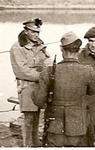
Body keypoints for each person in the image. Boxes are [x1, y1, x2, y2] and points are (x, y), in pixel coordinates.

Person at [33, 31, 95, 147]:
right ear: (79, 50)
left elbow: (39, 101)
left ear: (61, 49)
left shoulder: (48, 71)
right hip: (78, 126)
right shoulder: (88, 70)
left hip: (54, 127)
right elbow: (92, 92)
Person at [10, 18, 51, 147]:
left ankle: (35, 143)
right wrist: (43, 75)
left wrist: (46, 71)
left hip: (40, 87)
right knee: (28, 118)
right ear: (26, 31)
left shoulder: (40, 45)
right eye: (33, 32)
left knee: (37, 116)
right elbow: (21, 71)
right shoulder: (17, 47)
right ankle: (28, 145)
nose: (36, 35)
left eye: (38, 32)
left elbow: (47, 62)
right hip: (26, 87)